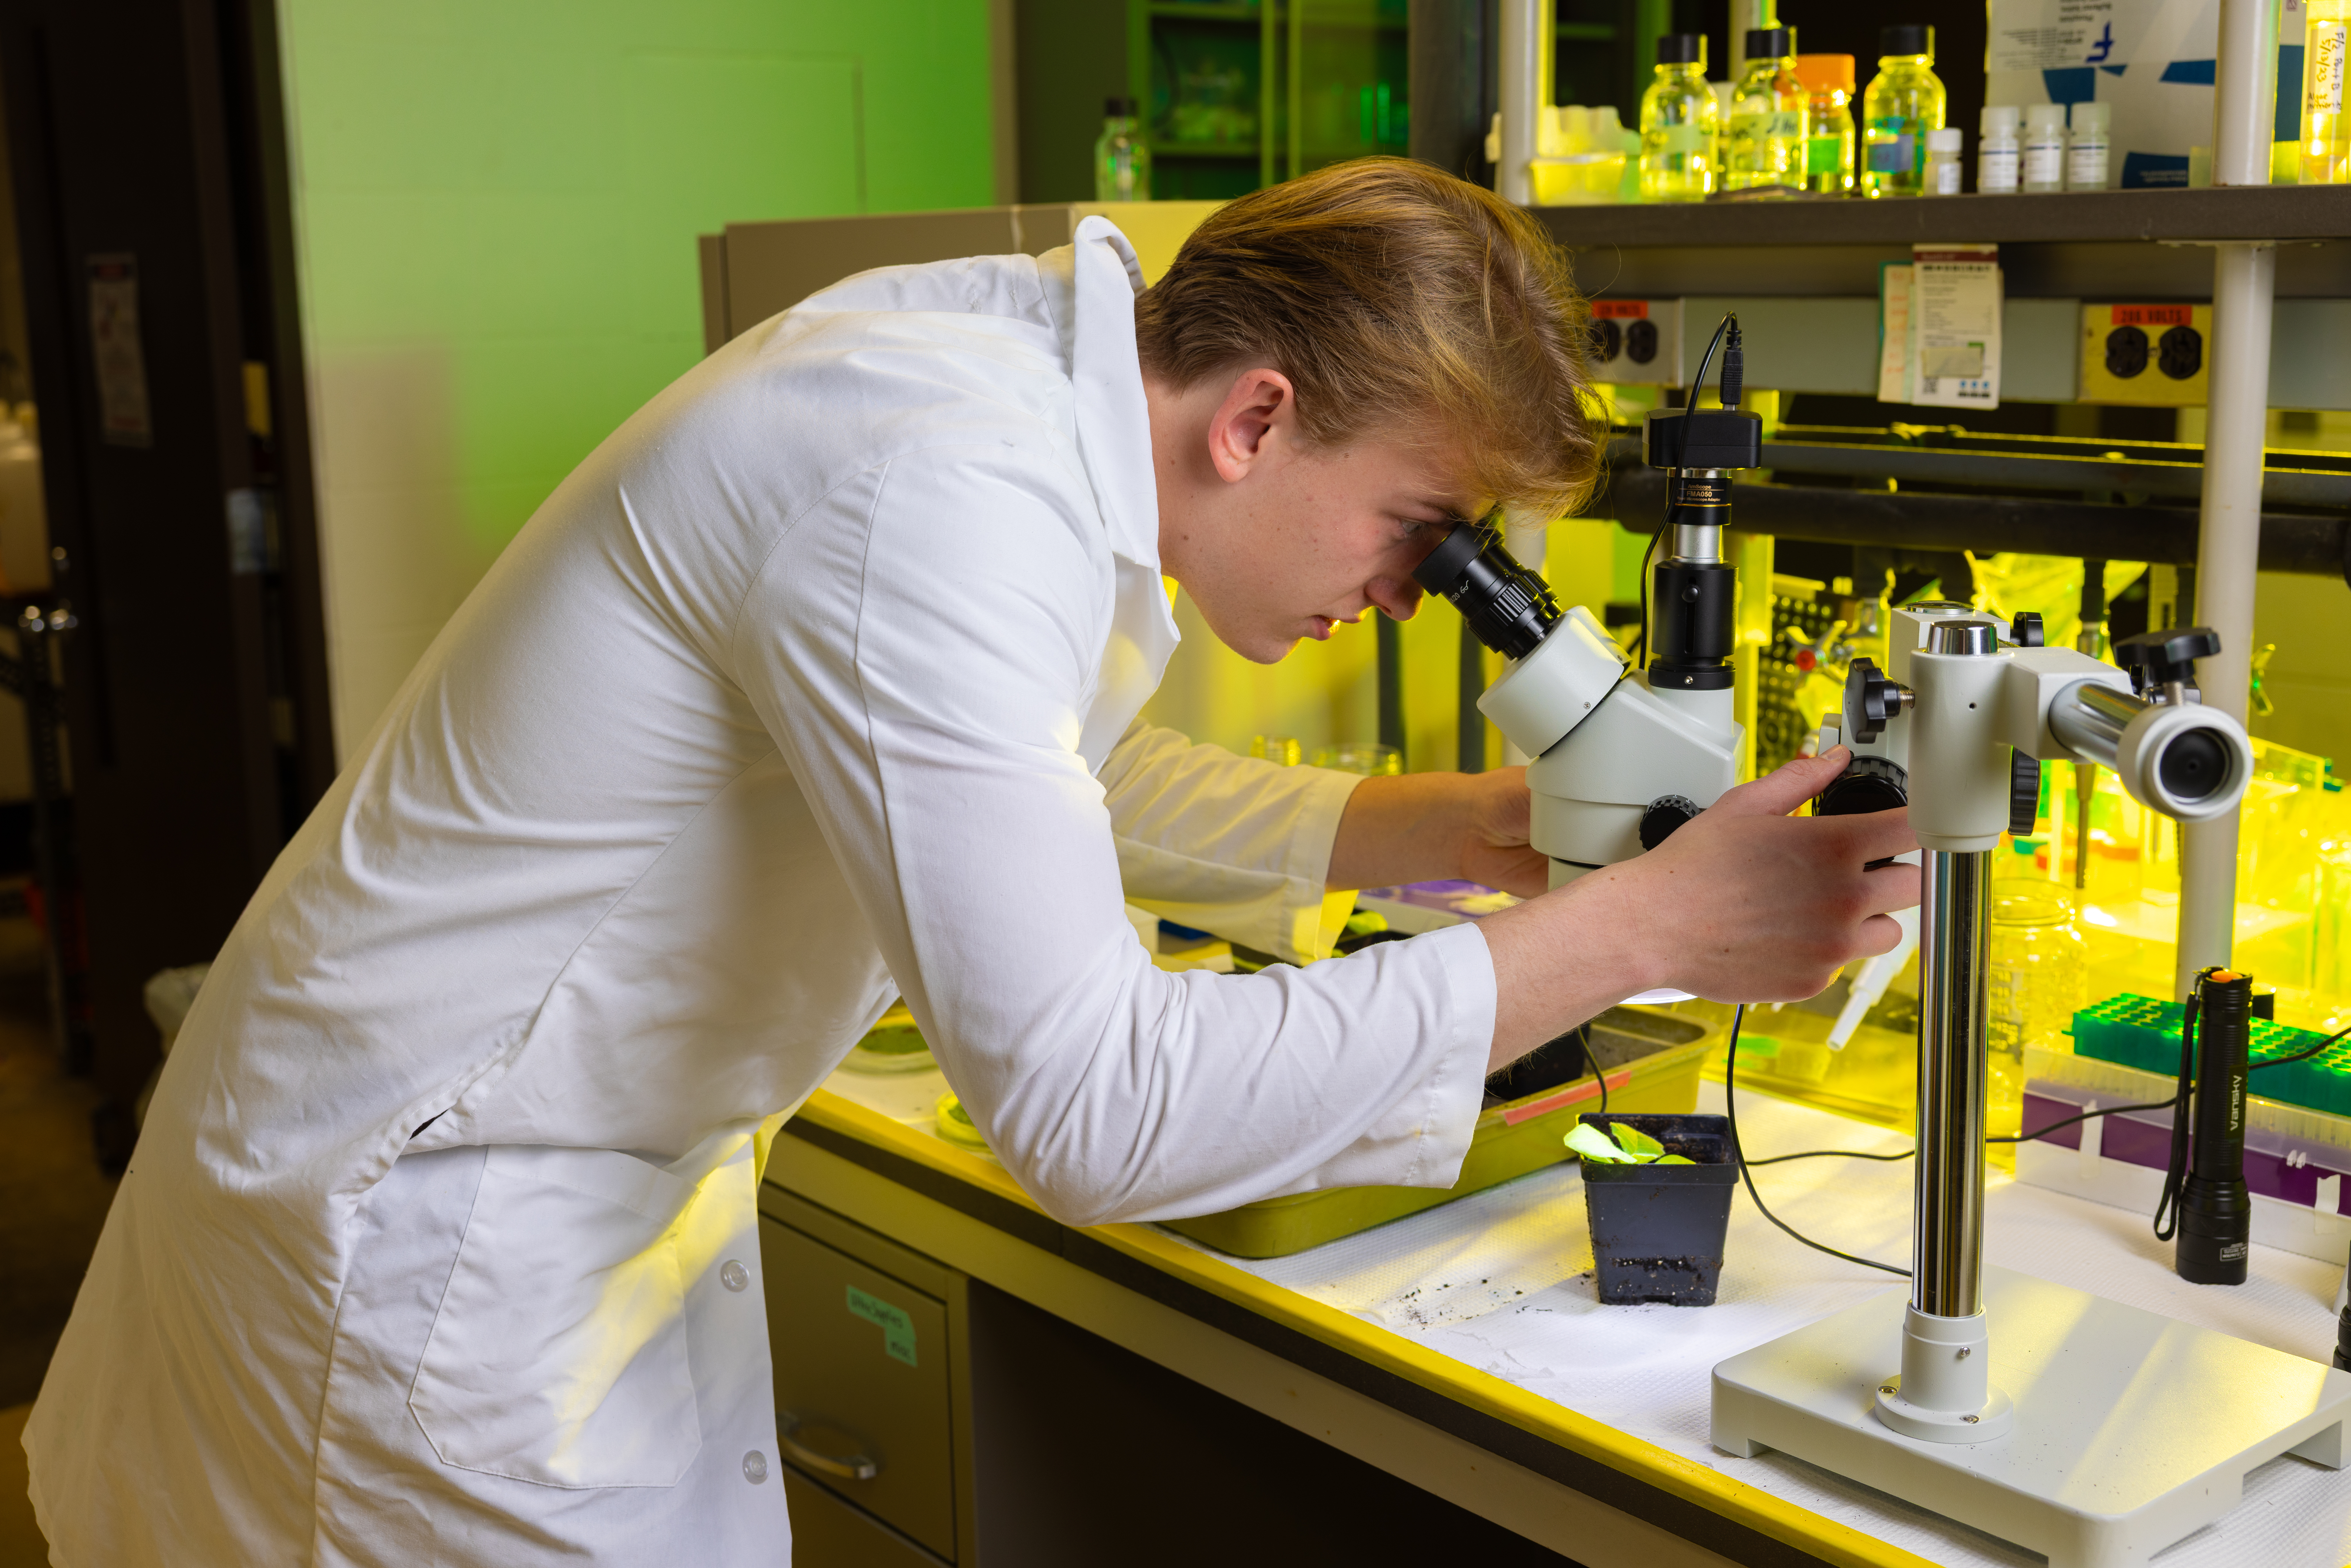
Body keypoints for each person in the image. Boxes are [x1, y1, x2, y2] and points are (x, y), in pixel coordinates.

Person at [26, 159, 1915, 1564]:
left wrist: (1437, 827)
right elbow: (1096, 1111)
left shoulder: (1013, 384)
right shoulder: (940, 480)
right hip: (422, 1252)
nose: (1417, 592)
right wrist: (1636, 931)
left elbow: (1038, 766)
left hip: (540, 1198)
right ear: (1259, 416)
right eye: (1418, 527)